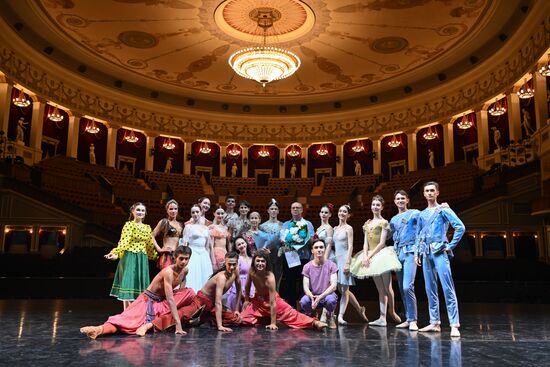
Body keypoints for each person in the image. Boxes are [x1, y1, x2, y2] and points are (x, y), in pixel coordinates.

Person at [80, 246, 195, 339]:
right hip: (148, 300)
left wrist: (182, 302)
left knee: (190, 292)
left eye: (187, 259)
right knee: (127, 322)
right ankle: (98, 330)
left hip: (162, 301)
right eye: (181, 258)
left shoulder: (185, 270)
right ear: (175, 258)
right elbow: (170, 299)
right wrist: (178, 326)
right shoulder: (168, 272)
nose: (184, 262)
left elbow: (181, 287)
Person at [145, 251, 242, 333]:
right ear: (225, 262)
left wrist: (237, 309)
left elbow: (239, 290)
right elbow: (218, 302)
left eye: (234, 264)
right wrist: (220, 326)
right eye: (230, 264)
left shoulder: (236, 271)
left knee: (235, 319)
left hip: (211, 306)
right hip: (202, 301)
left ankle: (207, 318)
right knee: (182, 314)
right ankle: (150, 325)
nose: (232, 267)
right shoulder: (221, 277)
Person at [415, 181, 465, 338]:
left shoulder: (443, 209)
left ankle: (454, 324)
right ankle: (434, 322)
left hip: (440, 251)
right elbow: (418, 235)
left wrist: (450, 245)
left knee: (447, 287)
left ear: (437, 192)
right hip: (426, 252)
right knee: (430, 288)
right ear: (423, 194)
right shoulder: (422, 214)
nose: (429, 193)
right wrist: (417, 252)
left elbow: (460, 227)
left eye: (432, 190)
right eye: (427, 191)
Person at [240, 250, 327, 330]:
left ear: (266, 263)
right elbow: (247, 287)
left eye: (263, 261)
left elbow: (272, 302)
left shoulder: (269, 277)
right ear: (254, 262)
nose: (260, 263)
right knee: (243, 319)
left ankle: (315, 322)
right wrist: (247, 300)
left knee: (291, 314)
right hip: (258, 302)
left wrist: (273, 323)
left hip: (272, 301)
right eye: (258, 261)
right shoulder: (252, 272)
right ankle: (267, 318)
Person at [350, 195, 402, 327]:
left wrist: (371, 256)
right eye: (373, 204)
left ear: (382, 207)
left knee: (387, 287)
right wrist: (366, 256)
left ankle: (392, 310)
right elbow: (365, 243)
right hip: (369, 256)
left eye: (378, 205)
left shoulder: (384, 222)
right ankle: (382, 317)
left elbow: (382, 243)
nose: (375, 207)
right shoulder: (367, 224)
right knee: (380, 289)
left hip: (381, 255)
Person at [105, 202, 158, 310]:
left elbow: (149, 245)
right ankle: (127, 312)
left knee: (139, 284)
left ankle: (135, 312)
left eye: (143, 210)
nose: (140, 212)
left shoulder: (147, 228)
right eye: (138, 210)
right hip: (130, 256)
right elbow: (124, 241)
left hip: (142, 258)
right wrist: (115, 252)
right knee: (128, 282)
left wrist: (156, 256)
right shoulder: (129, 225)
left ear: (145, 213)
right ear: (133, 211)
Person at [332, 204, 368, 325]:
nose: (342, 213)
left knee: (345, 289)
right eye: (340, 211)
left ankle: (341, 316)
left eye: (344, 212)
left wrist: (347, 262)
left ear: (348, 215)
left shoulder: (349, 228)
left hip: (344, 260)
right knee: (342, 290)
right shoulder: (335, 228)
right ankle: (359, 309)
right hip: (335, 260)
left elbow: (351, 245)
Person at [390, 190, 420, 331]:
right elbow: (389, 235)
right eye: (398, 198)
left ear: (407, 200)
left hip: (410, 252)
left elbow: (425, 222)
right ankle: (408, 318)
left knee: (408, 286)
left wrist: (441, 207)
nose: (400, 200)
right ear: (395, 201)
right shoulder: (393, 219)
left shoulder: (415, 213)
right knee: (402, 287)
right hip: (398, 254)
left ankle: (413, 319)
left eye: (403, 198)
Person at [280, 202, 314, 308]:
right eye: (293, 208)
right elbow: (281, 240)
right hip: (290, 257)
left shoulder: (308, 224)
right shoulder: (285, 224)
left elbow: (312, 240)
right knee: (290, 285)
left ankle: (305, 309)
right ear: (290, 210)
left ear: (302, 210)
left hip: (304, 257)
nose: (295, 209)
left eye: (297, 208)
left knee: (305, 284)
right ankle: (292, 310)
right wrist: (290, 241)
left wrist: (303, 238)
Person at [300, 239, 338, 329]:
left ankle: (330, 316)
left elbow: (334, 286)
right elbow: (305, 287)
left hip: (326, 295)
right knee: (304, 301)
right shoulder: (307, 267)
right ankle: (313, 314)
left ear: (325, 249)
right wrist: (312, 298)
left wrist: (320, 297)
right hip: (313, 296)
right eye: (316, 248)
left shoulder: (331, 265)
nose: (319, 249)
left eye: (321, 247)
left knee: (331, 300)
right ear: (312, 251)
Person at [182, 205, 215, 292]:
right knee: (192, 275)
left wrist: (210, 260)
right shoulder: (188, 227)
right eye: (193, 212)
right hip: (193, 253)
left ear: (200, 212)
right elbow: (185, 244)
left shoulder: (206, 228)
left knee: (204, 276)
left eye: (197, 212)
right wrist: (185, 258)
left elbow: (207, 246)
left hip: (203, 254)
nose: (195, 214)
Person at [259, 198, 283, 289]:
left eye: (275, 209)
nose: (273, 211)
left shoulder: (282, 225)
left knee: (278, 277)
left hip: (278, 256)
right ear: (268, 210)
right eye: (272, 209)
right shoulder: (262, 226)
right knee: (266, 277)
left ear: (278, 211)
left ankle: (276, 296)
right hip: (267, 256)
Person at [151, 199, 183, 269]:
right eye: (171, 209)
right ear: (167, 210)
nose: (173, 211)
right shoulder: (164, 222)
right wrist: (159, 249)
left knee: (176, 278)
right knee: (166, 277)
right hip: (167, 254)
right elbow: (152, 236)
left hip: (178, 255)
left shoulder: (181, 224)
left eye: (175, 209)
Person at [227, 237, 254, 311]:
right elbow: (235, 275)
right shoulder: (238, 259)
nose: (241, 245)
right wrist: (240, 290)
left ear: (246, 243)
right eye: (239, 244)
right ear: (236, 248)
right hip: (239, 284)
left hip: (250, 284)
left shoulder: (252, 258)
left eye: (242, 243)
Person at [209, 206, 231, 270]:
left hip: (225, 252)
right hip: (217, 252)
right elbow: (211, 246)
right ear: (214, 214)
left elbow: (228, 243)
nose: (220, 215)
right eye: (218, 213)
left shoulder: (225, 228)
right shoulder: (212, 227)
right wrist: (213, 262)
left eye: (222, 213)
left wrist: (230, 254)